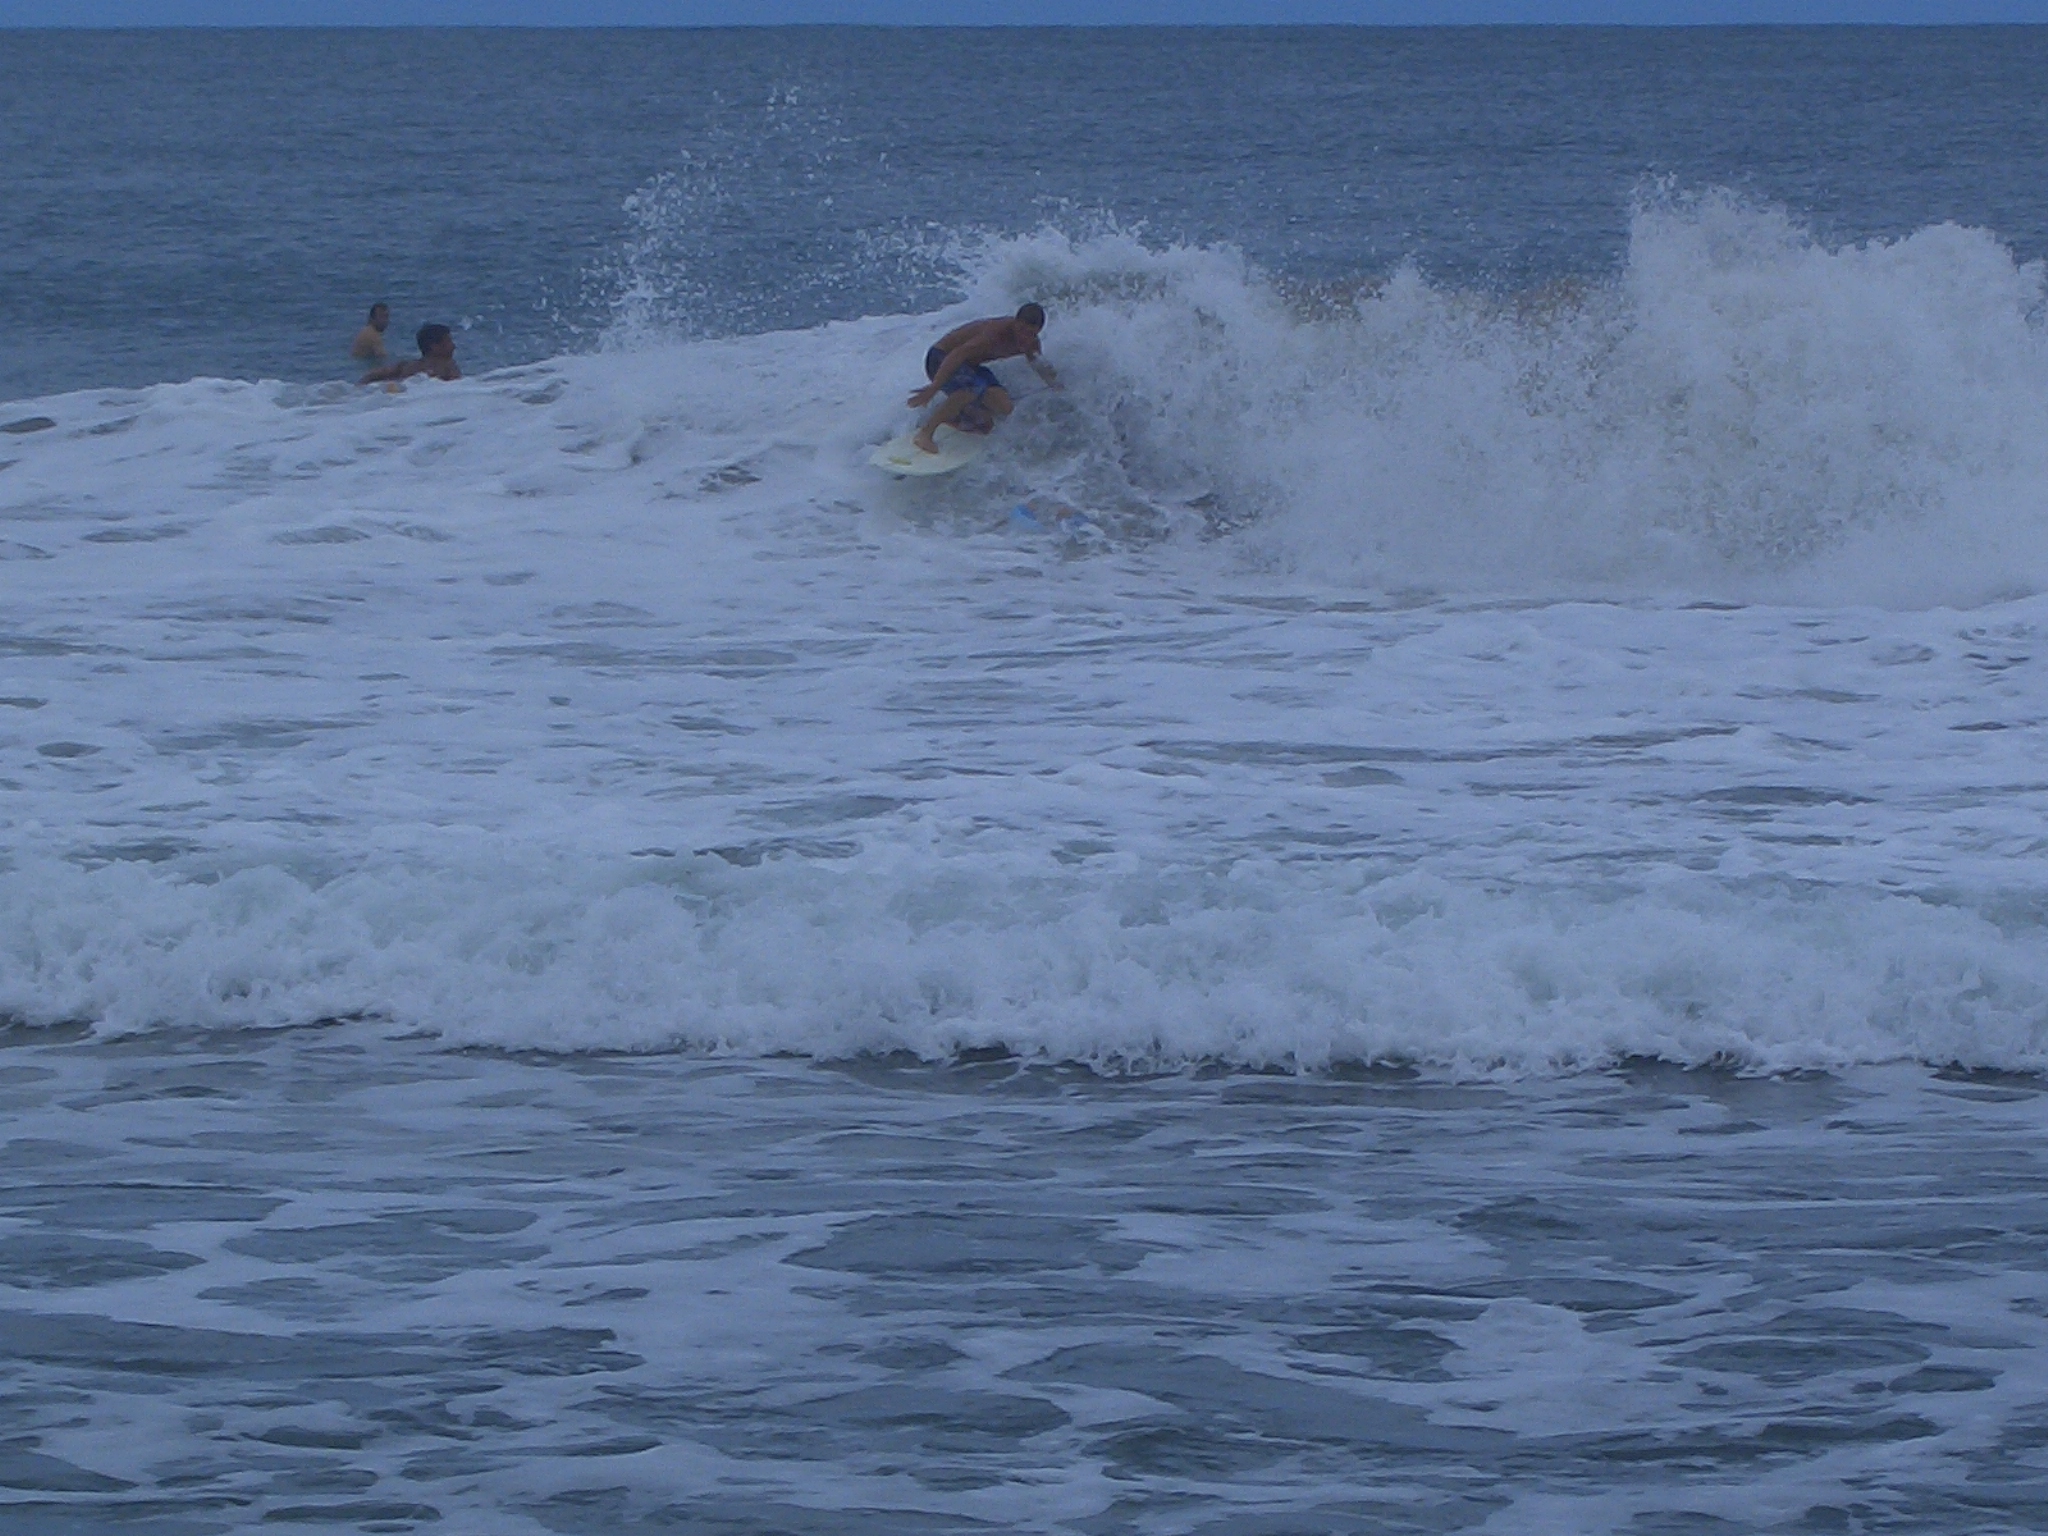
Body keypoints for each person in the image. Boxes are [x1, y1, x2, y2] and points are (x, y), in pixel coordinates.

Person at [906, 302, 1058, 453]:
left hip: (969, 367)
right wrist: (934, 388)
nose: (1025, 338)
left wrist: (1058, 387)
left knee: (1005, 407)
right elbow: (957, 354)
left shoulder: (1031, 344)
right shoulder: (994, 333)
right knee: (970, 389)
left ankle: (959, 414)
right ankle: (925, 433)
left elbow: (1040, 367)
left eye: (1031, 334)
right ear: (1015, 322)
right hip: (940, 359)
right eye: (1022, 330)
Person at [359, 323, 461, 386]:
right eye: (449, 342)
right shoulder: (448, 367)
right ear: (434, 346)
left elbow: (369, 377)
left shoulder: (406, 366)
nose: (453, 346)